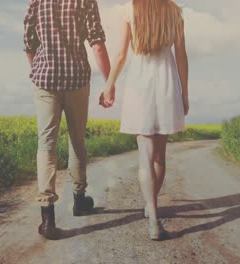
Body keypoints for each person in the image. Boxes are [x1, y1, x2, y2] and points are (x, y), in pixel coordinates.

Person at [100, 0, 189, 240]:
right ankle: (151, 208)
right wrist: (184, 92)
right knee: (160, 157)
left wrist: (108, 86)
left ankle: (153, 217)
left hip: (140, 86)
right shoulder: (174, 11)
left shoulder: (129, 9)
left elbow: (120, 55)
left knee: (145, 157)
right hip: (167, 84)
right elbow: (181, 55)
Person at [23, 0, 112, 239]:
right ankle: (79, 200)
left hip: (44, 80)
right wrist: (109, 82)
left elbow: (28, 43)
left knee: (46, 144)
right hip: (77, 79)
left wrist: (38, 72)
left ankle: (47, 218)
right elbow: (98, 45)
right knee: (77, 140)